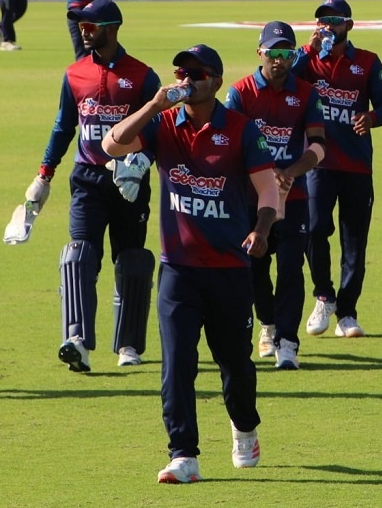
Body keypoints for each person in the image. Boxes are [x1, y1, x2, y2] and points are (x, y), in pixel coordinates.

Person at [101, 43, 279, 484]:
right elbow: (112, 143)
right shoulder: (164, 124)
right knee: (177, 360)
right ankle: (183, 453)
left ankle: (244, 425)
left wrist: (262, 228)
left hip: (229, 269)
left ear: (216, 80)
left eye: (196, 73)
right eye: (180, 72)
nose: (185, 80)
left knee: (234, 364)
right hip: (178, 269)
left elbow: (269, 188)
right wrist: (153, 104)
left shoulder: (241, 129)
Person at [24, 0, 161, 372]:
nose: (84, 30)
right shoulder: (74, 74)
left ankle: (129, 344)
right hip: (87, 179)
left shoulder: (143, 75)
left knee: (132, 259)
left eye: (91, 25)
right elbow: (63, 126)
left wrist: (141, 161)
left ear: (113, 27)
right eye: (81, 25)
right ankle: (77, 340)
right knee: (79, 255)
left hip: (129, 181)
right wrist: (44, 174)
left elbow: (157, 127)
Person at [290, 0, 382, 339]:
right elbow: (283, 88)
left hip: (356, 165)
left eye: (334, 20)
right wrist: (303, 55)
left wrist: (372, 117)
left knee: (355, 241)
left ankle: (348, 313)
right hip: (318, 163)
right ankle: (324, 296)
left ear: (349, 26)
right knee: (316, 229)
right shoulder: (306, 61)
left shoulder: (366, 62)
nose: (327, 26)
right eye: (321, 20)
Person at [224, 21, 327, 370]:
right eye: (273, 53)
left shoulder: (306, 93)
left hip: (293, 198)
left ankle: (288, 342)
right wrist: (258, 178)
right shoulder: (240, 93)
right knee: (254, 269)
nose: (279, 61)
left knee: (290, 270)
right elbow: (228, 147)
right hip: (250, 201)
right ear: (260, 54)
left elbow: (319, 146)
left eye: (287, 54)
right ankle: (267, 325)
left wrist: (291, 173)